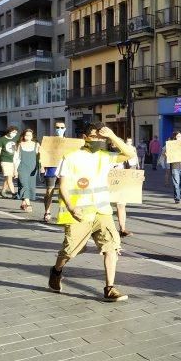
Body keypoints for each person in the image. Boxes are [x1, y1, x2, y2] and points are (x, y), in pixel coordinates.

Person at [48, 123, 137, 302]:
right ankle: (56, 271)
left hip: (102, 210)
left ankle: (109, 288)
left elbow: (130, 154)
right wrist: (72, 208)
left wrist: (112, 135)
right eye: (95, 137)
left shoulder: (105, 156)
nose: (99, 140)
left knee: (111, 248)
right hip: (79, 212)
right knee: (70, 251)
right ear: (85, 137)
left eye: (101, 138)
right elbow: (63, 186)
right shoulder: (71, 157)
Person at [113, 138, 139, 237]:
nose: (115, 146)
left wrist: (138, 178)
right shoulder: (106, 155)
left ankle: (122, 229)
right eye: (113, 144)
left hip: (120, 184)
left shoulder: (125, 156)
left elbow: (131, 169)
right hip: (107, 185)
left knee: (121, 205)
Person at [42, 122, 68, 223]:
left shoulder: (68, 141)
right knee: (49, 190)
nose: (59, 129)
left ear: (65, 129)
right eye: (57, 127)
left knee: (64, 191)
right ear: (54, 128)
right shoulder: (49, 141)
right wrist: (42, 166)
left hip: (64, 167)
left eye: (62, 127)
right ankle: (47, 211)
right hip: (51, 167)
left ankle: (64, 213)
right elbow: (43, 153)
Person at [14, 129, 40, 212]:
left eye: (29, 135)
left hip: (33, 168)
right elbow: (16, 158)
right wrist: (15, 170)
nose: (27, 137)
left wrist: (42, 166)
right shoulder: (19, 145)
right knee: (24, 184)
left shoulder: (37, 145)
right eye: (26, 135)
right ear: (23, 136)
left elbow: (41, 157)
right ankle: (28, 204)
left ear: (32, 136)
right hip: (22, 168)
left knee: (30, 186)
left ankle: (23, 202)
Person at [0, 126, 19, 198]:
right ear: (9, 132)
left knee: (8, 177)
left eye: (16, 132)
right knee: (9, 177)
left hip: (13, 161)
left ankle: (3, 191)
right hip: (5, 160)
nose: (14, 134)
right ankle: (13, 193)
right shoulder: (2, 139)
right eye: (13, 132)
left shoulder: (16, 138)